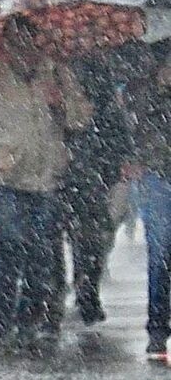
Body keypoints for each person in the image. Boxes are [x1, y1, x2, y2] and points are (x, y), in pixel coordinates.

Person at [0, 16, 91, 360]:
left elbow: (81, 119)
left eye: (28, 41)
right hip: (2, 180)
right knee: (9, 246)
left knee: (41, 255)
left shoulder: (56, 75)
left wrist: (60, 101)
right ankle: (4, 327)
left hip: (45, 179)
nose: (23, 49)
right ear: (3, 46)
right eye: (14, 42)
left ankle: (29, 322)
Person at [59, 46, 133, 328]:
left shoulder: (97, 69)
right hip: (70, 164)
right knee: (85, 234)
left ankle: (85, 288)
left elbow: (112, 117)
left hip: (92, 165)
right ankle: (80, 289)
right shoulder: (53, 71)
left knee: (91, 234)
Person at [119, 47, 171, 363]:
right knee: (161, 251)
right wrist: (131, 159)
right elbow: (126, 131)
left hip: (154, 174)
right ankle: (157, 328)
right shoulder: (141, 90)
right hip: (155, 177)